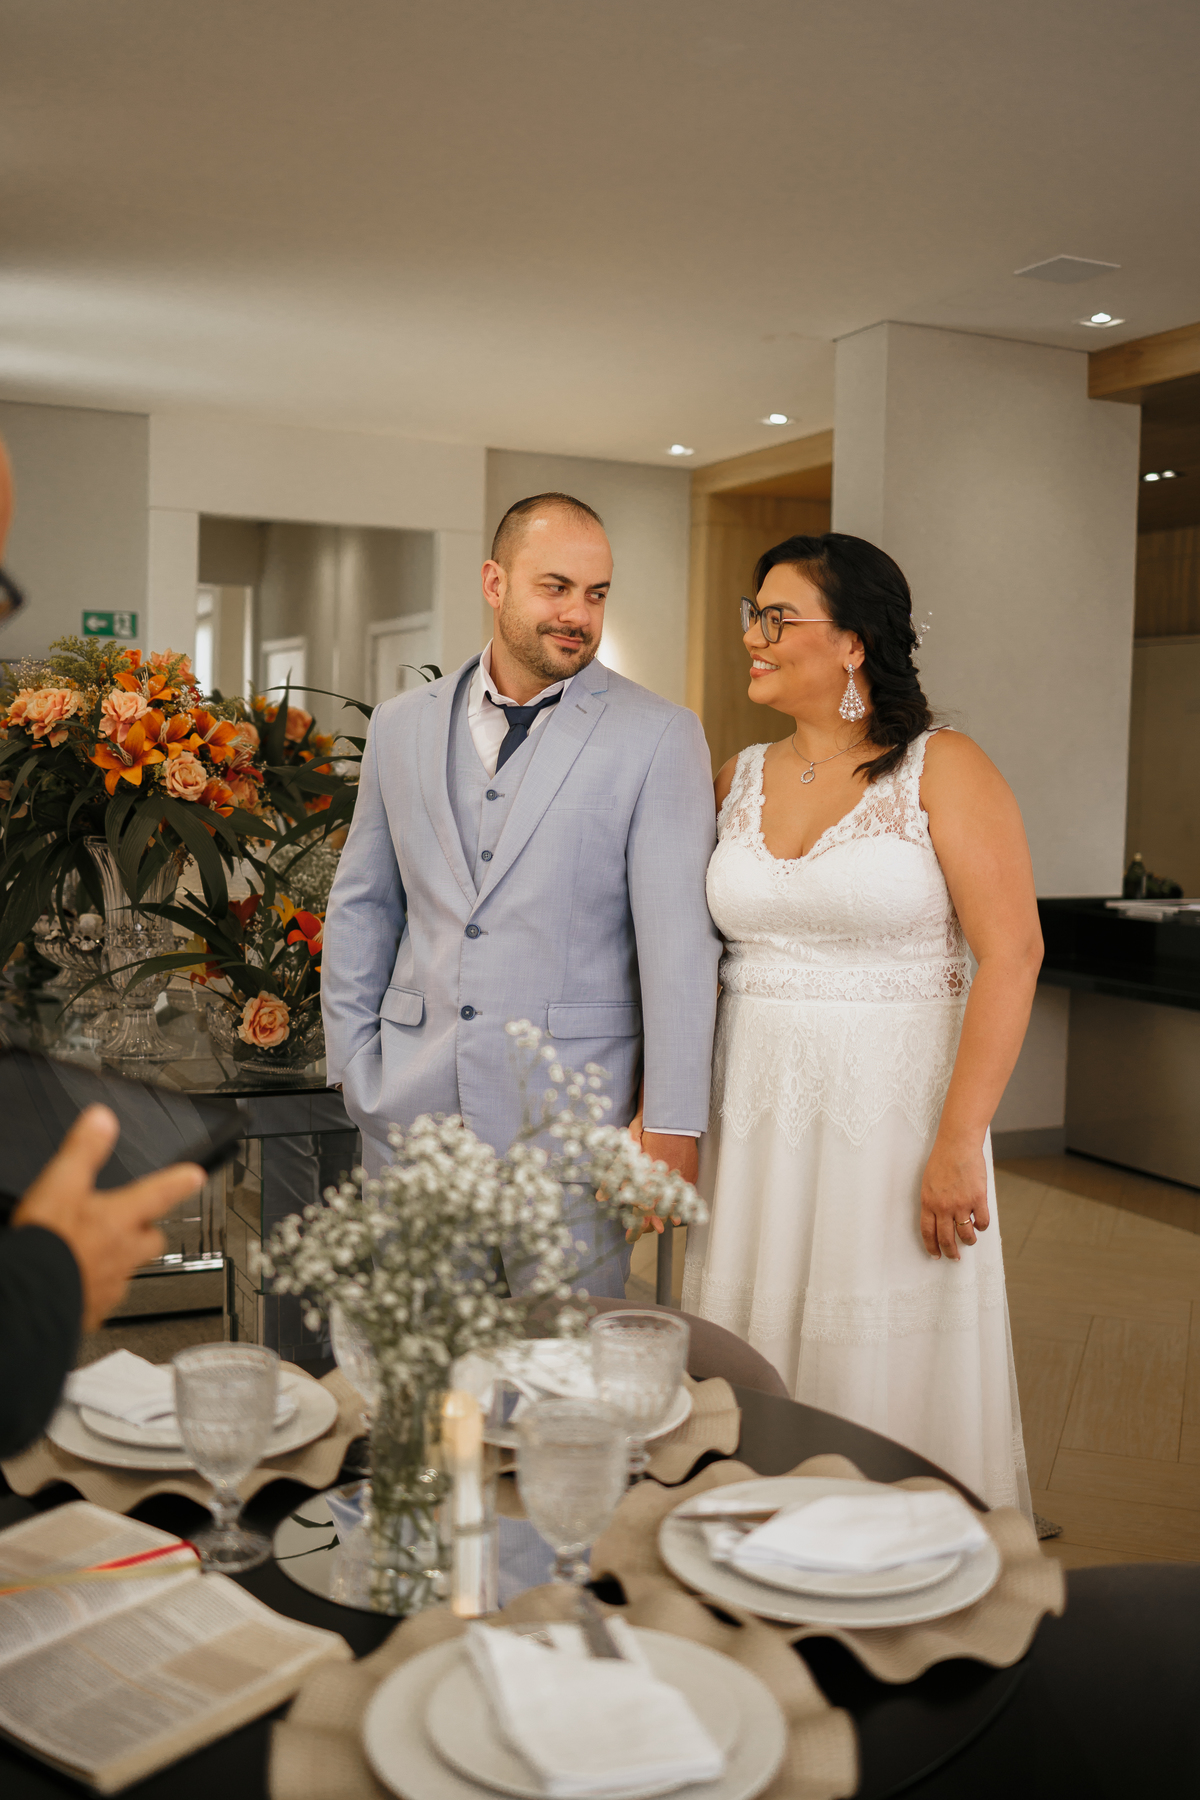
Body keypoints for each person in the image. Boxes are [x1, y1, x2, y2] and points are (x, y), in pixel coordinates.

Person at [681, 533, 1038, 1512]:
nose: (752, 636)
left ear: (853, 643)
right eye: (752, 614)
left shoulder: (942, 767)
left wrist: (960, 1141)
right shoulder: (734, 776)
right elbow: (683, 960)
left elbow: (1013, 955)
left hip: (893, 1130)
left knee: (878, 1342)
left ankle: (889, 1546)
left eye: (776, 617)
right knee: (754, 1340)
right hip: (752, 1126)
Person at [322, 492, 720, 1295]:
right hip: (411, 1113)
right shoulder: (401, 725)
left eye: (596, 594)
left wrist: (673, 1121)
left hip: (574, 1125)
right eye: (556, 587)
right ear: (494, 582)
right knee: (424, 1358)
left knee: (567, 1363)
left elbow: (678, 947)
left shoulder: (659, 734)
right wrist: (354, 1066)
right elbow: (364, 904)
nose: (579, 614)